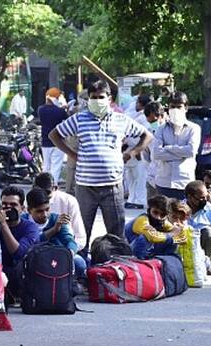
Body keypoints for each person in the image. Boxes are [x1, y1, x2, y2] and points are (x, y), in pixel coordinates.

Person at [49, 80, 152, 252]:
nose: (97, 100)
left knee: (116, 234)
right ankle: (81, 269)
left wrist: (130, 154)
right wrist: (72, 154)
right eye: (93, 97)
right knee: (82, 232)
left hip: (112, 186)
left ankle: (117, 267)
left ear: (109, 98)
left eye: (101, 97)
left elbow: (146, 136)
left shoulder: (121, 119)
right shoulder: (79, 119)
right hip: (85, 186)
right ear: (89, 99)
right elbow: (54, 135)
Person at [23, 189, 85, 278]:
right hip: (32, 259)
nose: (45, 214)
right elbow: (28, 244)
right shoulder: (23, 222)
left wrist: (68, 254)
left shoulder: (57, 219)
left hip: (56, 258)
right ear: (29, 210)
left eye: (47, 209)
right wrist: (54, 230)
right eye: (39, 211)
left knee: (79, 263)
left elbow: (70, 241)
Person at [152, 91, 201, 199]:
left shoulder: (194, 129)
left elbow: (191, 151)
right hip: (164, 182)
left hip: (184, 182)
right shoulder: (161, 129)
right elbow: (156, 153)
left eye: (179, 107)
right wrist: (181, 153)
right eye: (172, 107)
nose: (175, 110)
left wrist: (168, 148)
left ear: (186, 108)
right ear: (168, 108)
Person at [0, 186, 40, 300]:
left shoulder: (30, 227)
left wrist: (4, 225)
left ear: (22, 208)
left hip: (20, 274)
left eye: (13, 205)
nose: (8, 208)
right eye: (5, 205)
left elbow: (19, 253)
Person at [33, 173, 86, 251]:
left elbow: (79, 236)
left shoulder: (69, 201)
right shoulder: (31, 200)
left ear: (55, 188)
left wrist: (69, 252)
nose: (43, 196)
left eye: (47, 193)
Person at [125, 195, 185, 259]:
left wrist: (177, 232)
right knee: (145, 238)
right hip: (128, 251)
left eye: (162, 215)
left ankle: (165, 259)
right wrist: (171, 234)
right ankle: (139, 260)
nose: (158, 217)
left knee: (174, 240)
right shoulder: (142, 220)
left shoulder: (164, 222)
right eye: (155, 212)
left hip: (148, 250)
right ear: (149, 210)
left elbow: (180, 235)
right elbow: (152, 236)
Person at [124, 94, 154, 209]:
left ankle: (140, 200)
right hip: (128, 149)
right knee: (131, 176)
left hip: (139, 150)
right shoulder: (131, 113)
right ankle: (132, 199)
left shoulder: (143, 118)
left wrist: (137, 150)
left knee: (140, 177)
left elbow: (145, 137)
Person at [39, 88, 68, 183]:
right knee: (56, 166)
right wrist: (64, 107)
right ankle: (53, 185)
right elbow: (66, 118)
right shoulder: (60, 112)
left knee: (46, 165)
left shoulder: (41, 110)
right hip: (58, 143)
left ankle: (43, 186)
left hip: (45, 142)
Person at [139, 101, 166, 200]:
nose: (153, 124)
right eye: (150, 122)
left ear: (161, 116)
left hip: (167, 180)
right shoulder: (149, 133)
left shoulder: (172, 132)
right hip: (152, 178)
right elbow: (146, 156)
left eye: (154, 121)